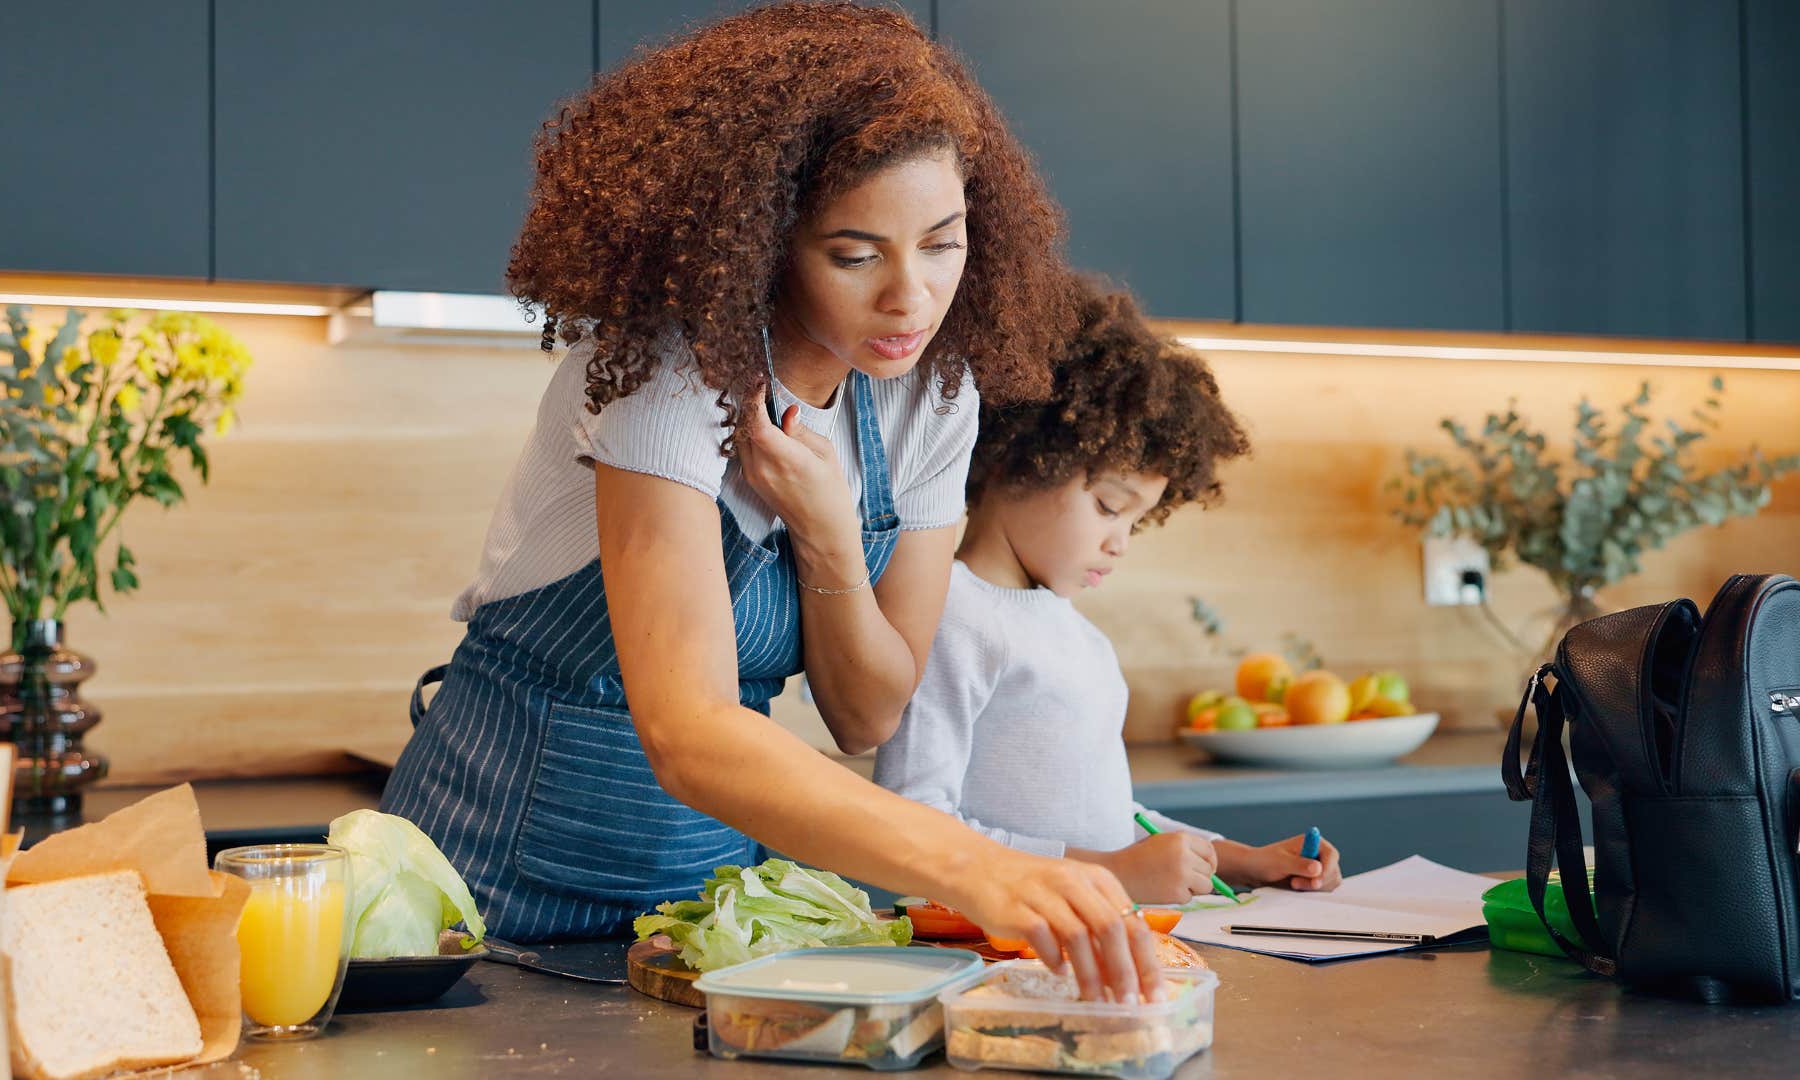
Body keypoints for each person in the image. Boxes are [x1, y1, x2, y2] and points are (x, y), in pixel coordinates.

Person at [381, 4, 1162, 1000]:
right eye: (854, 254)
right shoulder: (669, 375)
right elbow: (690, 729)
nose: (911, 299)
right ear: (763, 242)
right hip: (487, 894)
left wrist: (830, 538)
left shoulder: (933, 397)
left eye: (942, 243)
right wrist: (978, 867)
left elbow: (868, 710)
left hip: (699, 908)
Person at [874, 278, 1345, 903]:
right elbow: (913, 824)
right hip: (990, 953)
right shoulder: (950, 614)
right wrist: (1111, 875)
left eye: (1136, 520)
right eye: (1108, 506)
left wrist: (1243, 861)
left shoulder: (1078, 635)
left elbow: (1108, 820)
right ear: (1021, 456)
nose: (1121, 542)